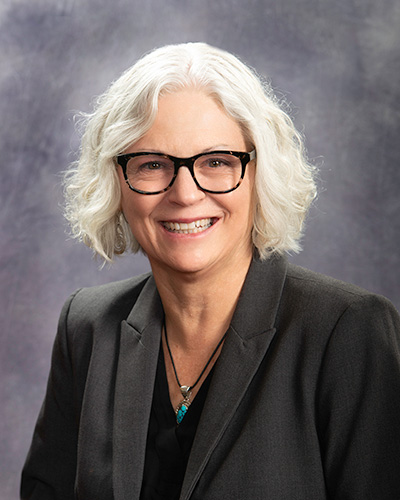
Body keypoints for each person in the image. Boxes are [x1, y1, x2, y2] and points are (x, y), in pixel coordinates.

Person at [21, 42, 400, 500]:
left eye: (216, 162)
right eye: (152, 164)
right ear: (116, 183)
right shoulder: (86, 327)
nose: (184, 193)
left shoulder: (348, 333)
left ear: (262, 172)